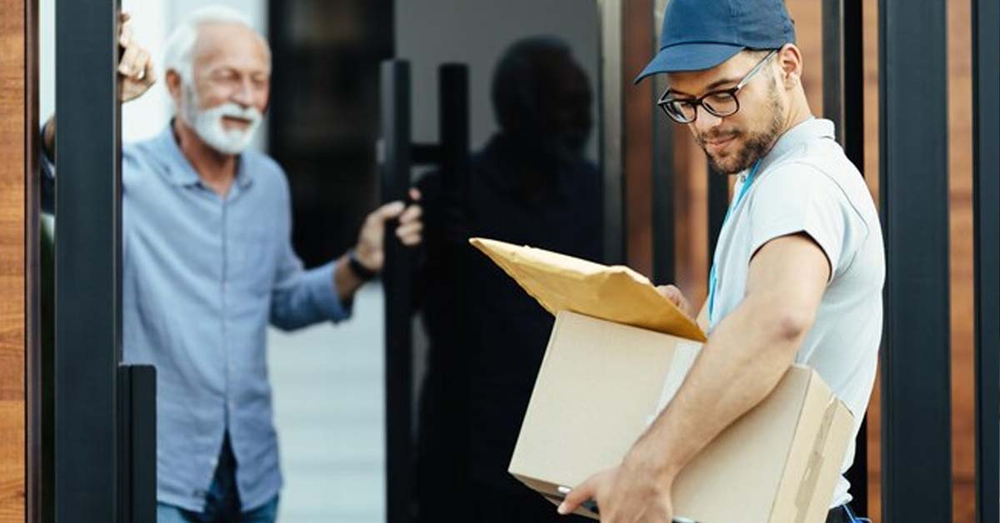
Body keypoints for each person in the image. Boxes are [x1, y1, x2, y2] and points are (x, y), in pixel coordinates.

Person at [40, 7, 423, 523]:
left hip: (252, 475)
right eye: (227, 78)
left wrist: (360, 262)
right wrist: (97, 98)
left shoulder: (268, 183)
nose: (246, 97)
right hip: (160, 477)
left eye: (259, 81)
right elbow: (47, 173)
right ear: (176, 85)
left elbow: (284, 301)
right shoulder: (126, 174)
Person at [558, 2, 884, 523]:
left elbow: (776, 320)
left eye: (723, 95)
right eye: (685, 103)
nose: (705, 123)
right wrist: (675, 330)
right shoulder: (763, 180)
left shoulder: (801, 183)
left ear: (788, 66)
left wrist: (648, 469)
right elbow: (752, 334)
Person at [414, 37, 602, 523]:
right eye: (566, 106)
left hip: (567, 447)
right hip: (467, 448)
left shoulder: (595, 193)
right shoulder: (450, 194)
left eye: (586, 106)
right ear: (517, 112)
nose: (583, 121)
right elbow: (408, 301)